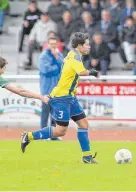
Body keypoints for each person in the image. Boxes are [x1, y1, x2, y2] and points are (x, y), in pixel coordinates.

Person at [20, 32, 100, 164]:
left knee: (83, 124)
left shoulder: (72, 54)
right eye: (87, 44)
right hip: (61, 98)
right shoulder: (74, 57)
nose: (89, 47)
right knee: (60, 131)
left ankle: (87, 157)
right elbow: (81, 72)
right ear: (79, 46)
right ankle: (28, 136)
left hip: (70, 97)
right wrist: (93, 72)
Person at [38, 37, 64, 140]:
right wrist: (57, 67)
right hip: (46, 89)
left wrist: (56, 59)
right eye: (51, 44)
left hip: (57, 90)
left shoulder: (59, 55)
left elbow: (64, 68)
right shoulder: (43, 56)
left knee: (55, 113)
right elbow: (46, 70)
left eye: (55, 44)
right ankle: (43, 134)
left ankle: (53, 135)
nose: (53, 46)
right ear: (48, 45)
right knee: (45, 113)